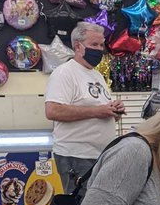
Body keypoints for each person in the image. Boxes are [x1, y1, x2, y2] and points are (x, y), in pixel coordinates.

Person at [44, 21, 126, 193]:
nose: (99, 49)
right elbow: (53, 110)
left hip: (99, 155)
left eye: (102, 45)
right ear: (78, 47)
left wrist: (114, 110)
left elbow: (102, 111)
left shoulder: (97, 75)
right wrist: (98, 111)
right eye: (94, 44)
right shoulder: (64, 73)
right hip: (76, 157)